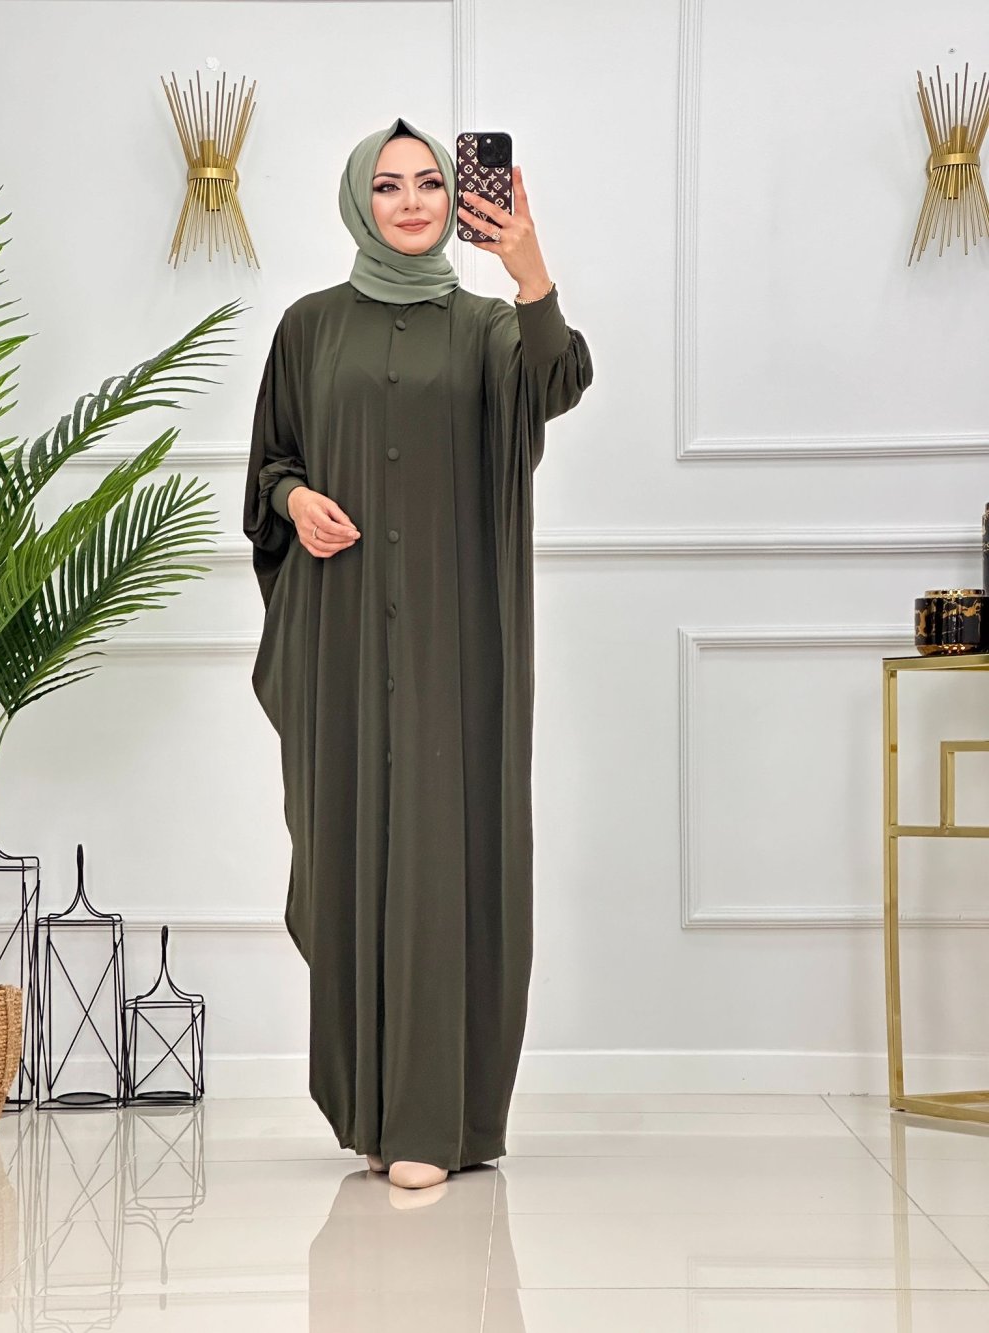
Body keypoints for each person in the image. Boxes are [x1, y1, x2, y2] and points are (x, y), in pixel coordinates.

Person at [243, 115, 593, 1191]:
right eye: (388, 185)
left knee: (446, 852)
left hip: (455, 636)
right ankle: (373, 1109)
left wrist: (530, 272)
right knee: (351, 847)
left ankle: (435, 1122)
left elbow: (555, 383)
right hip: (344, 632)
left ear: (456, 200)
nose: (410, 201)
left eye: (430, 183)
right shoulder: (308, 327)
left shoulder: (487, 327)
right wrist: (296, 502)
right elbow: (271, 463)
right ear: (360, 200)